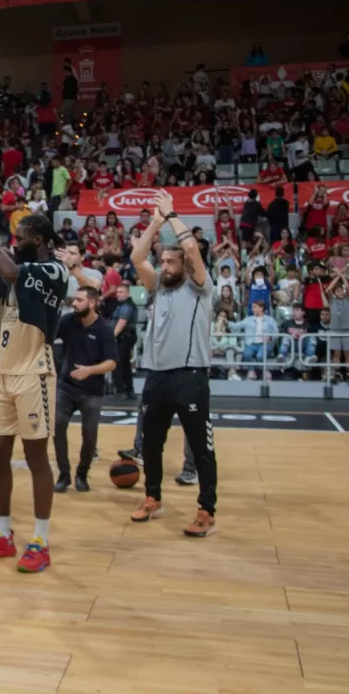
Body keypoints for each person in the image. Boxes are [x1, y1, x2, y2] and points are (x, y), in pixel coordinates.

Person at [0, 200, 67, 573]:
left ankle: (40, 539)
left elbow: (6, 269)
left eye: (19, 237)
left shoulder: (53, 270)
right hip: (3, 374)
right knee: (0, 454)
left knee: (37, 458)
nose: (14, 241)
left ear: (37, 239)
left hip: (34, 373)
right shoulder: (17, 270)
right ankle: (2, 535)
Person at [128, 191, 218, 538]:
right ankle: (153, 497)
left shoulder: (200, 287)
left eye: (170, 262)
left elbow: (192, 250)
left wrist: (173, 214)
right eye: (162, 261)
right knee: (151, 444)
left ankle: (206, 510)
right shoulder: (157, 288)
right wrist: (156, 222)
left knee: (201, 448)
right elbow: (137, 257)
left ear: (184, 266)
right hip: (157, 377)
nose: (164, 266)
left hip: (191, 376)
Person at [52, 286, 117, 493]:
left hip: (92, 390)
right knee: (56, 424)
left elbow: (112, 362)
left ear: (92, 303)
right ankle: (63, 475)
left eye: (80, 300)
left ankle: (82, 474)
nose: (74, 303)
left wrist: (90, 370)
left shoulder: (104, 329)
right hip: (66, 386)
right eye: (75, 299)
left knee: (89, 435)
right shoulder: (68, 321)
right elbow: (48, 336)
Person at [111, 283, 138, 399]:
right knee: (125, 364)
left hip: (123, 337)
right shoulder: (123, 305)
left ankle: (121, 391)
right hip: (124, 337)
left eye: (121, 292)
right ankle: (129, 390)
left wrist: (112, 337)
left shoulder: (127, 306)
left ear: (128, 293)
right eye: (117, 292)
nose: (118, 294)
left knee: (117, 364)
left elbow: (121, 322)